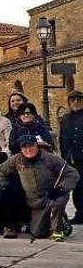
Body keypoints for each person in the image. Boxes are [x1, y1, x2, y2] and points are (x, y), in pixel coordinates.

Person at [0, 134, 80, 241]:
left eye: (31, 146)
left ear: (37, 145)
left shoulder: (50, 158)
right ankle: (56, 222)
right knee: (38, 233)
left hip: (52, 196)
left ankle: (58, 229)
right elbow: (1, 170)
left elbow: (73, 174)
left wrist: (61, 188)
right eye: (24, 147)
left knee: (58, 202)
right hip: (35, 202)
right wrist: (4, 183)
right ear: (21, 149)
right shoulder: (17, 160)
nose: (28, 149)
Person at [59, 90, 83, 224]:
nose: (76, 102)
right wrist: (64, 156)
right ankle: (80, 213)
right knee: (77, 187)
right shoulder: (66, 119)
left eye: (79, 99)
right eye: (73, 100)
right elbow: (62, 138)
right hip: (72, 159)